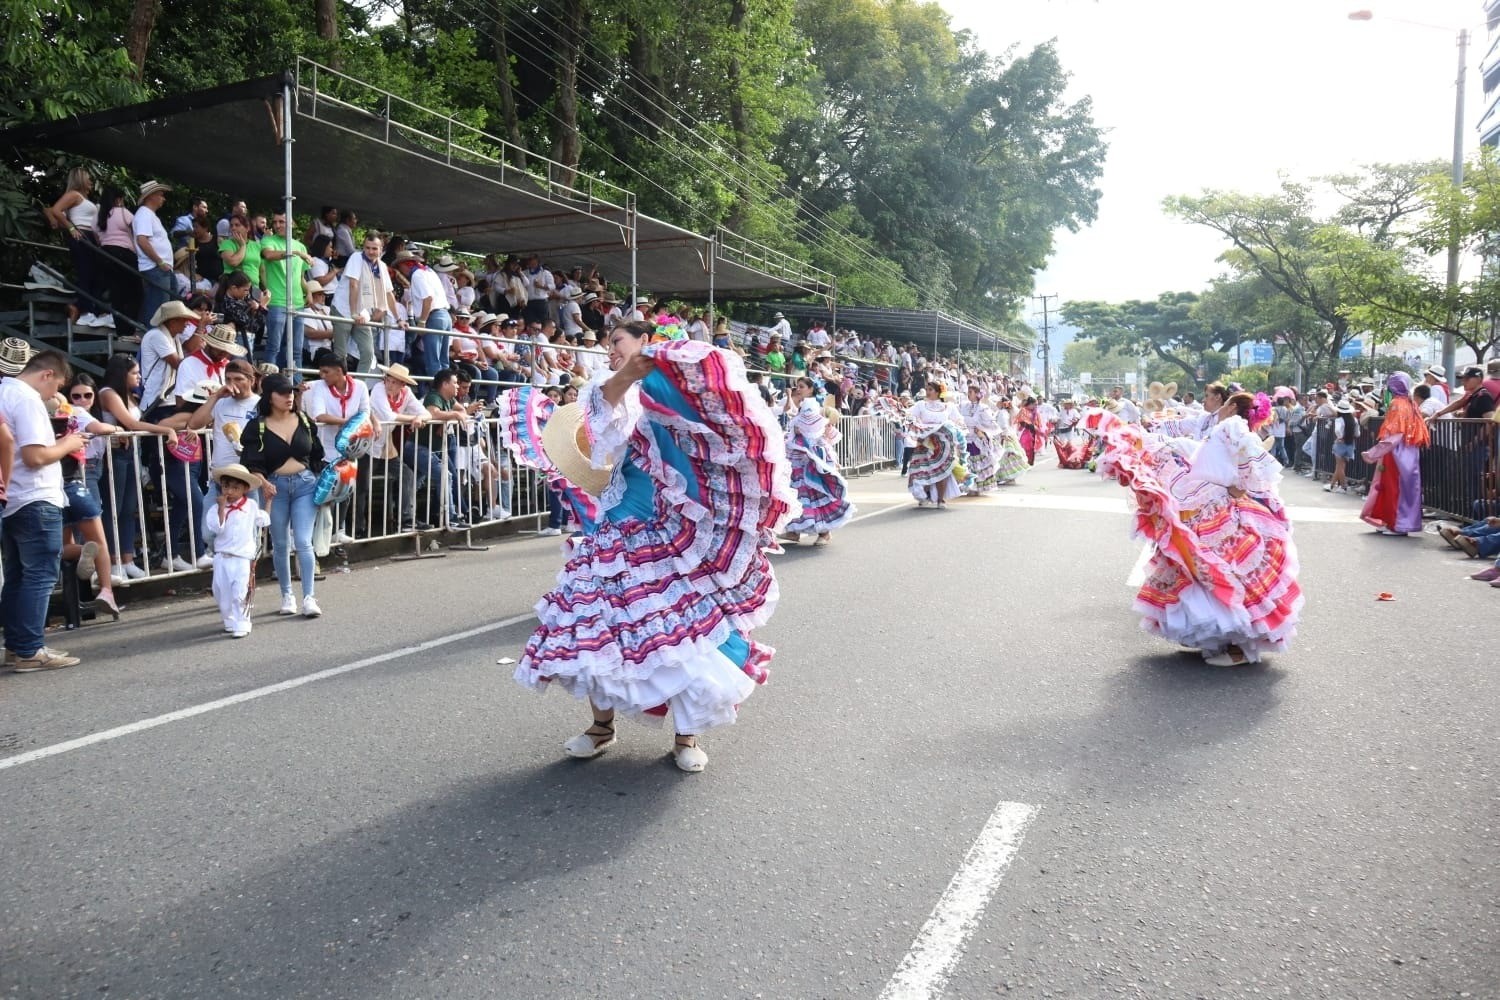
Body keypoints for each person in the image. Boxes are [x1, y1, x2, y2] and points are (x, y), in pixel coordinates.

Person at [497, 320, 795, 773]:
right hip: (616, 524)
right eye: (607, 342)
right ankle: (601, 727)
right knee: (597, 621)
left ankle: (686, 734)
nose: (609, 347)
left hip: (669, 529)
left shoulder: (669, 393)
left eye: (617, 340)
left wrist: (653, 375)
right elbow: (603, 418)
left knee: (684, 629)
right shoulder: (612, 387)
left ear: (644, 342)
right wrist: (627, 374)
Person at [1096, 391, 1302, 666]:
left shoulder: (1232, 428)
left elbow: (1242, 482)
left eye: (1227, 403)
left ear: (1232, 407)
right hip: (1212, 507)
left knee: (1221, 573)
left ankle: (1239, 648)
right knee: (1205, 572)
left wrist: (1223, 484)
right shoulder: (1222, 427)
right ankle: (1219, 640)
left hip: (1224, 511)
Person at [0, 349, 86, 671]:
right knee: (39, 576)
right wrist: (70, 443)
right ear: (47, 375)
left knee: (18, 576)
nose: (56, 395)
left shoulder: (4, 391)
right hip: (36, 497)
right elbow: (36, 456)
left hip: (13, 498)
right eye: (57, 386)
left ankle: (17, 645)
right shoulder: (27, 398)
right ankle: (30, 649)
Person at [240, 373, 325, 618]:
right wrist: (264, 483)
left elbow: (316, 454)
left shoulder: (304, 420)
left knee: (303, 541)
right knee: (279, 543)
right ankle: (287, 595)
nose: (289, 397)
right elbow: (251, 461)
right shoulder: (258, 425)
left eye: (291, 392)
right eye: (282, 392)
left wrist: (322, 480)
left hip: (305, 485)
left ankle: (309, 597)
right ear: (269, 396)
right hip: (274, 487)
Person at [782, 377, 855, 545]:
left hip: (810, 456)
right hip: (800, 456)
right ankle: (795, 531)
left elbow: (812, 428)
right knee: (799, 493)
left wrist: (798, 428)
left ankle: (824, 532)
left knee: (815, 492)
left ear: (810, 389)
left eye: (801, 387)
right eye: (797, 386)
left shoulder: (810, 405)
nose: (798, 389)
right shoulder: (804, 406)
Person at [202, 464, 271, 638]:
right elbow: (218, 528)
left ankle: (243, 622)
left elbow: (263, 520)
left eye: (235, 488)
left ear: (245, 489)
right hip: (222, 557)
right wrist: (221, 508)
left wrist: (269, 501)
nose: (230, 491)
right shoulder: (215, 509)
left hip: (242, 557)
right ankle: (229, 619)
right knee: (221, 592)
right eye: (226, 487)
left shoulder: (251, 505)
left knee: (240, 592)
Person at [1359, 372, 1429, 537]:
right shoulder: (1410, 403)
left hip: (1396, 452)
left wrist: (1374, 452)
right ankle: (1391, 521)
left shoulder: (1397, 403)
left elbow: (1395, 434)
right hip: (1408, 451)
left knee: (1394, 488)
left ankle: (1397, 524)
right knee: (1402, 488)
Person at [370, 362, 436, 531]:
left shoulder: (406, 394)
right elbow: (388, 415)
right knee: (361, 486)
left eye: (394, 382)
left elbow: (426, 413)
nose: (389, 384)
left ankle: (407, 520)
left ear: (402, 384)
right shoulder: (378, 389)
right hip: (366, 443)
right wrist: (414, 419)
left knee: (406, 474)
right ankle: (359, 528)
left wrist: (419, 418)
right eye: (388, 380)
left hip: (386, 445)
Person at [45, 167, 109, 327]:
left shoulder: (83, 198)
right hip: (80, 235)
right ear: (80, 179)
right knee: (86, 272)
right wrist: (71, 228)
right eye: (88, 178)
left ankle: (82, 308)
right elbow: (55, 210)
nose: (91, 182)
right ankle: (86, 311)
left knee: (98, 276)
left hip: (90, 237)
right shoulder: (74, 194)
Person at [260, 211, 312, 372]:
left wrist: (308, 292)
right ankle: (267, 384)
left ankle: (296, 389)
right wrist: (295, 253)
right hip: (276, 301)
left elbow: (301, 277)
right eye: (275, 222)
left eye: (282, 221)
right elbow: (268, 255)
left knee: (296, 350)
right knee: (273, 348)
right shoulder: (268, 240)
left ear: (292, 223)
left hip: (297, 303)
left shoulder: (300, 245)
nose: (277, 225)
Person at [905, 382, 964, 508]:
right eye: (926, 389)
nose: (927, 391)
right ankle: (924, 494)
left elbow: (958, 420)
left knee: (942, 470)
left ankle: (940, 500)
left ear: (937, 392)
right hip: (925, 442)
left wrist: (958, 430)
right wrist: (915, 427)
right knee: (924, 470)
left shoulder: (948, 406)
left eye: (930, 389)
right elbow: (909, 416)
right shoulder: (921, 405)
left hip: (943, 443)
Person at [132, 180, 175, 327]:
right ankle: (151, 335)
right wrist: (159, 261)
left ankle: (153, 334)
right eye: (161, 195)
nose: (163, 198)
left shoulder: (149, 215)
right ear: (151, 196)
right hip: (155, 267)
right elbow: (142, 240)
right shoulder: (144, 214)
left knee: (162, 304)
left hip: (160, 267)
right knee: (159, 307)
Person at [1324, 399, 1357, 495]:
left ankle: (1343, 486)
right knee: (1341, 466)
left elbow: (1338, 431)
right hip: (1350, 443)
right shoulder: (1354, 420)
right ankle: (1332, 485)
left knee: (1339, 466)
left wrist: (1340, 437)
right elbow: (1357, 433)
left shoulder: (1339, 420)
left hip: (1340, 443)